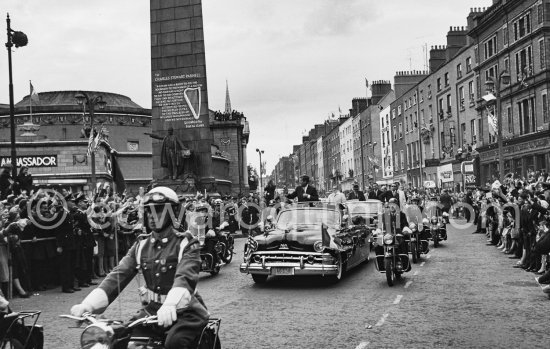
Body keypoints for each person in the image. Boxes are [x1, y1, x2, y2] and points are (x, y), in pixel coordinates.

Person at [71, 186, 210, 349]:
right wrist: (88, 305)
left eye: (158, 210)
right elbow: (118, 275)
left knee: (175, 343)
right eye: (148, 211)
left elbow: (184, 278)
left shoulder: (186, 243)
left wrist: (171, 304)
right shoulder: (141, 245)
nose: (152, 216)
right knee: (120, 338)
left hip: (186, 313)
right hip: (152, 312)